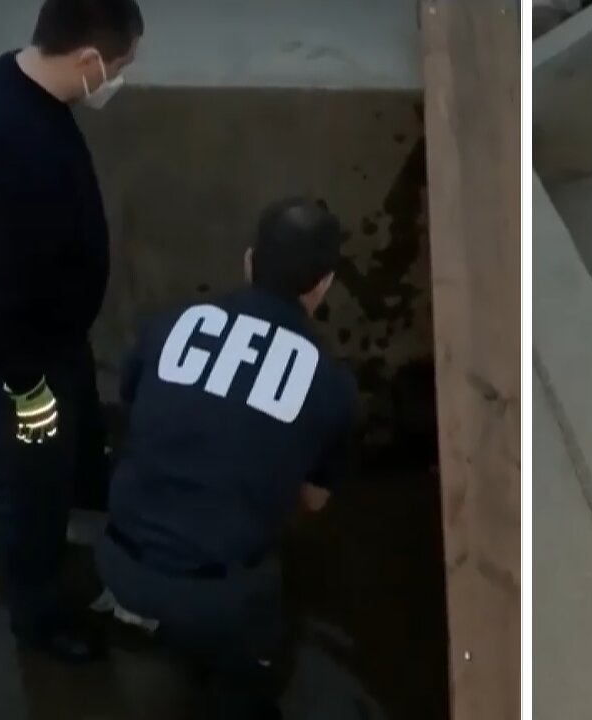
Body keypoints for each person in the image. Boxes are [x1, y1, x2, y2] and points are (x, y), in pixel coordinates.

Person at [95, 197, 358, 719]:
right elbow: (314, 499)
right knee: (249, 666)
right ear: (323, 285)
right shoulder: (331, 385)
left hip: (119, 562)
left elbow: (134, 403)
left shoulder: (170, 325)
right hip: (220, 597)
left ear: (248, 261)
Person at [0, 0, 144, 661]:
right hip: (19, 362)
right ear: (88, 59)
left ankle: (86, 484)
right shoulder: (16, 149)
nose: (117, 79)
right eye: (118, 67)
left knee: (77, 426)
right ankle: (39, 614)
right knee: (32, 481)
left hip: (52, 338)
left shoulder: (8, 78)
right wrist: (29, 394)